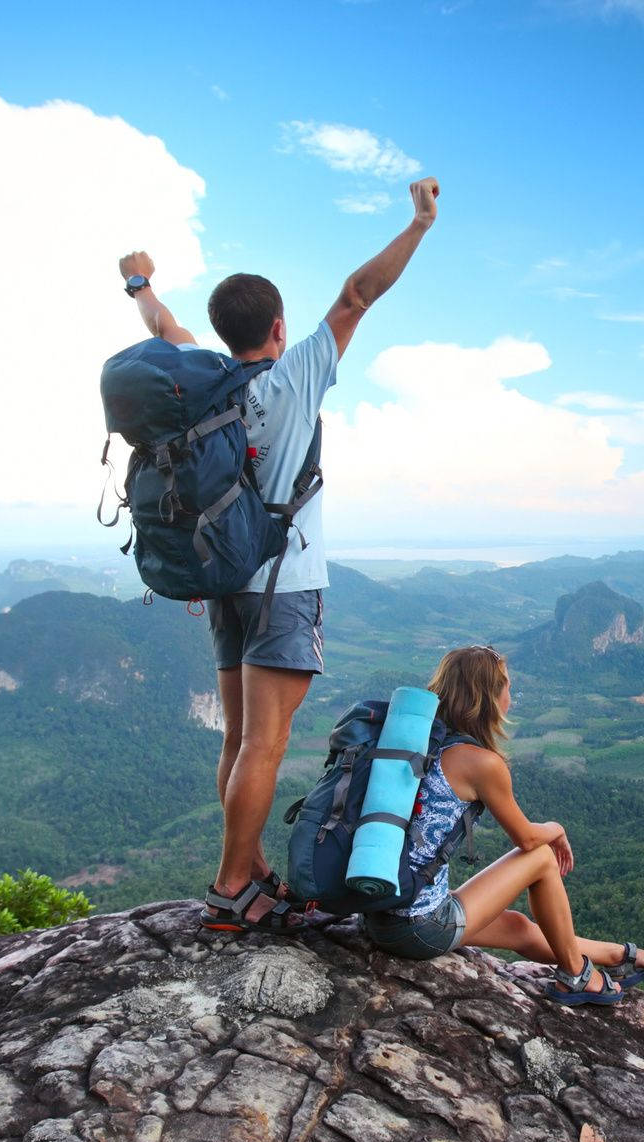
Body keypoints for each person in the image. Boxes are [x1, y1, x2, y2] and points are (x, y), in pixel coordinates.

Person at [116, 176, 442, 932]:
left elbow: (163, 329)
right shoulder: (295, 375)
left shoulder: (207, 385)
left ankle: (249, 863)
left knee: (238, 739)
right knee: (267, 742)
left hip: (224, 578)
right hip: (283, 585)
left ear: (222, 331)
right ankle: (233, 887)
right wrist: (419, 224)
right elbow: (359, 293)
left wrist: (139, 283)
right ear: (279, 324)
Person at [365, 645, 644, 1005]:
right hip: (419, 927)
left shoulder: (415, 742)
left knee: (519, 926)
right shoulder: (480, 762)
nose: (511, 701)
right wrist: (557, 828)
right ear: (488, 697)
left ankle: (620, 956)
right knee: (542, 858)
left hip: (381, 914)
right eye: (508, 689)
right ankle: (576, 975)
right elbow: (527, 838)